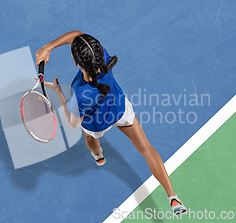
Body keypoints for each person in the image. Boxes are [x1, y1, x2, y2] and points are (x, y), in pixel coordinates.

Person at [35, 31, 187, 215]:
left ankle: (98, 155)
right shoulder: (105, 58)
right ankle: (173, 197)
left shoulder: (80, 93)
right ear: (98, 51)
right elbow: (78, 35)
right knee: (146, 148)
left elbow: (73, 124)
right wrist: (47, 48)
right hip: (119, 110)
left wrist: (59, 92)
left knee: (90, 139)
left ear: (76, 62)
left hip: (96, 125)